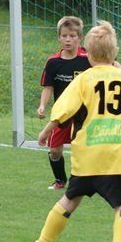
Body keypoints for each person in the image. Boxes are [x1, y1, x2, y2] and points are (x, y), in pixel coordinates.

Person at [27, 21, 121, 242]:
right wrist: (120, 127)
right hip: (115, 154)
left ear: (89, 53)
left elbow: (63, 109)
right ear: (115, 52)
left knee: (69, 200)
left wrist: (46, 131)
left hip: (86, 153)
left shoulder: (84, 79)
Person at [37, 16, 90, 190]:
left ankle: (84, 182)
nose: (68, 39)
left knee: (82, 149)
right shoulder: (53, 62)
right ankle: (60, 180)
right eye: (64, 36)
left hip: (83, 113)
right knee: (55, 150)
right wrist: (42, 106)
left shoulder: (88, 59)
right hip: (61, 114)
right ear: (59, 37)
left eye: (72, 36)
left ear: (80, 37)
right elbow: (48, 87)